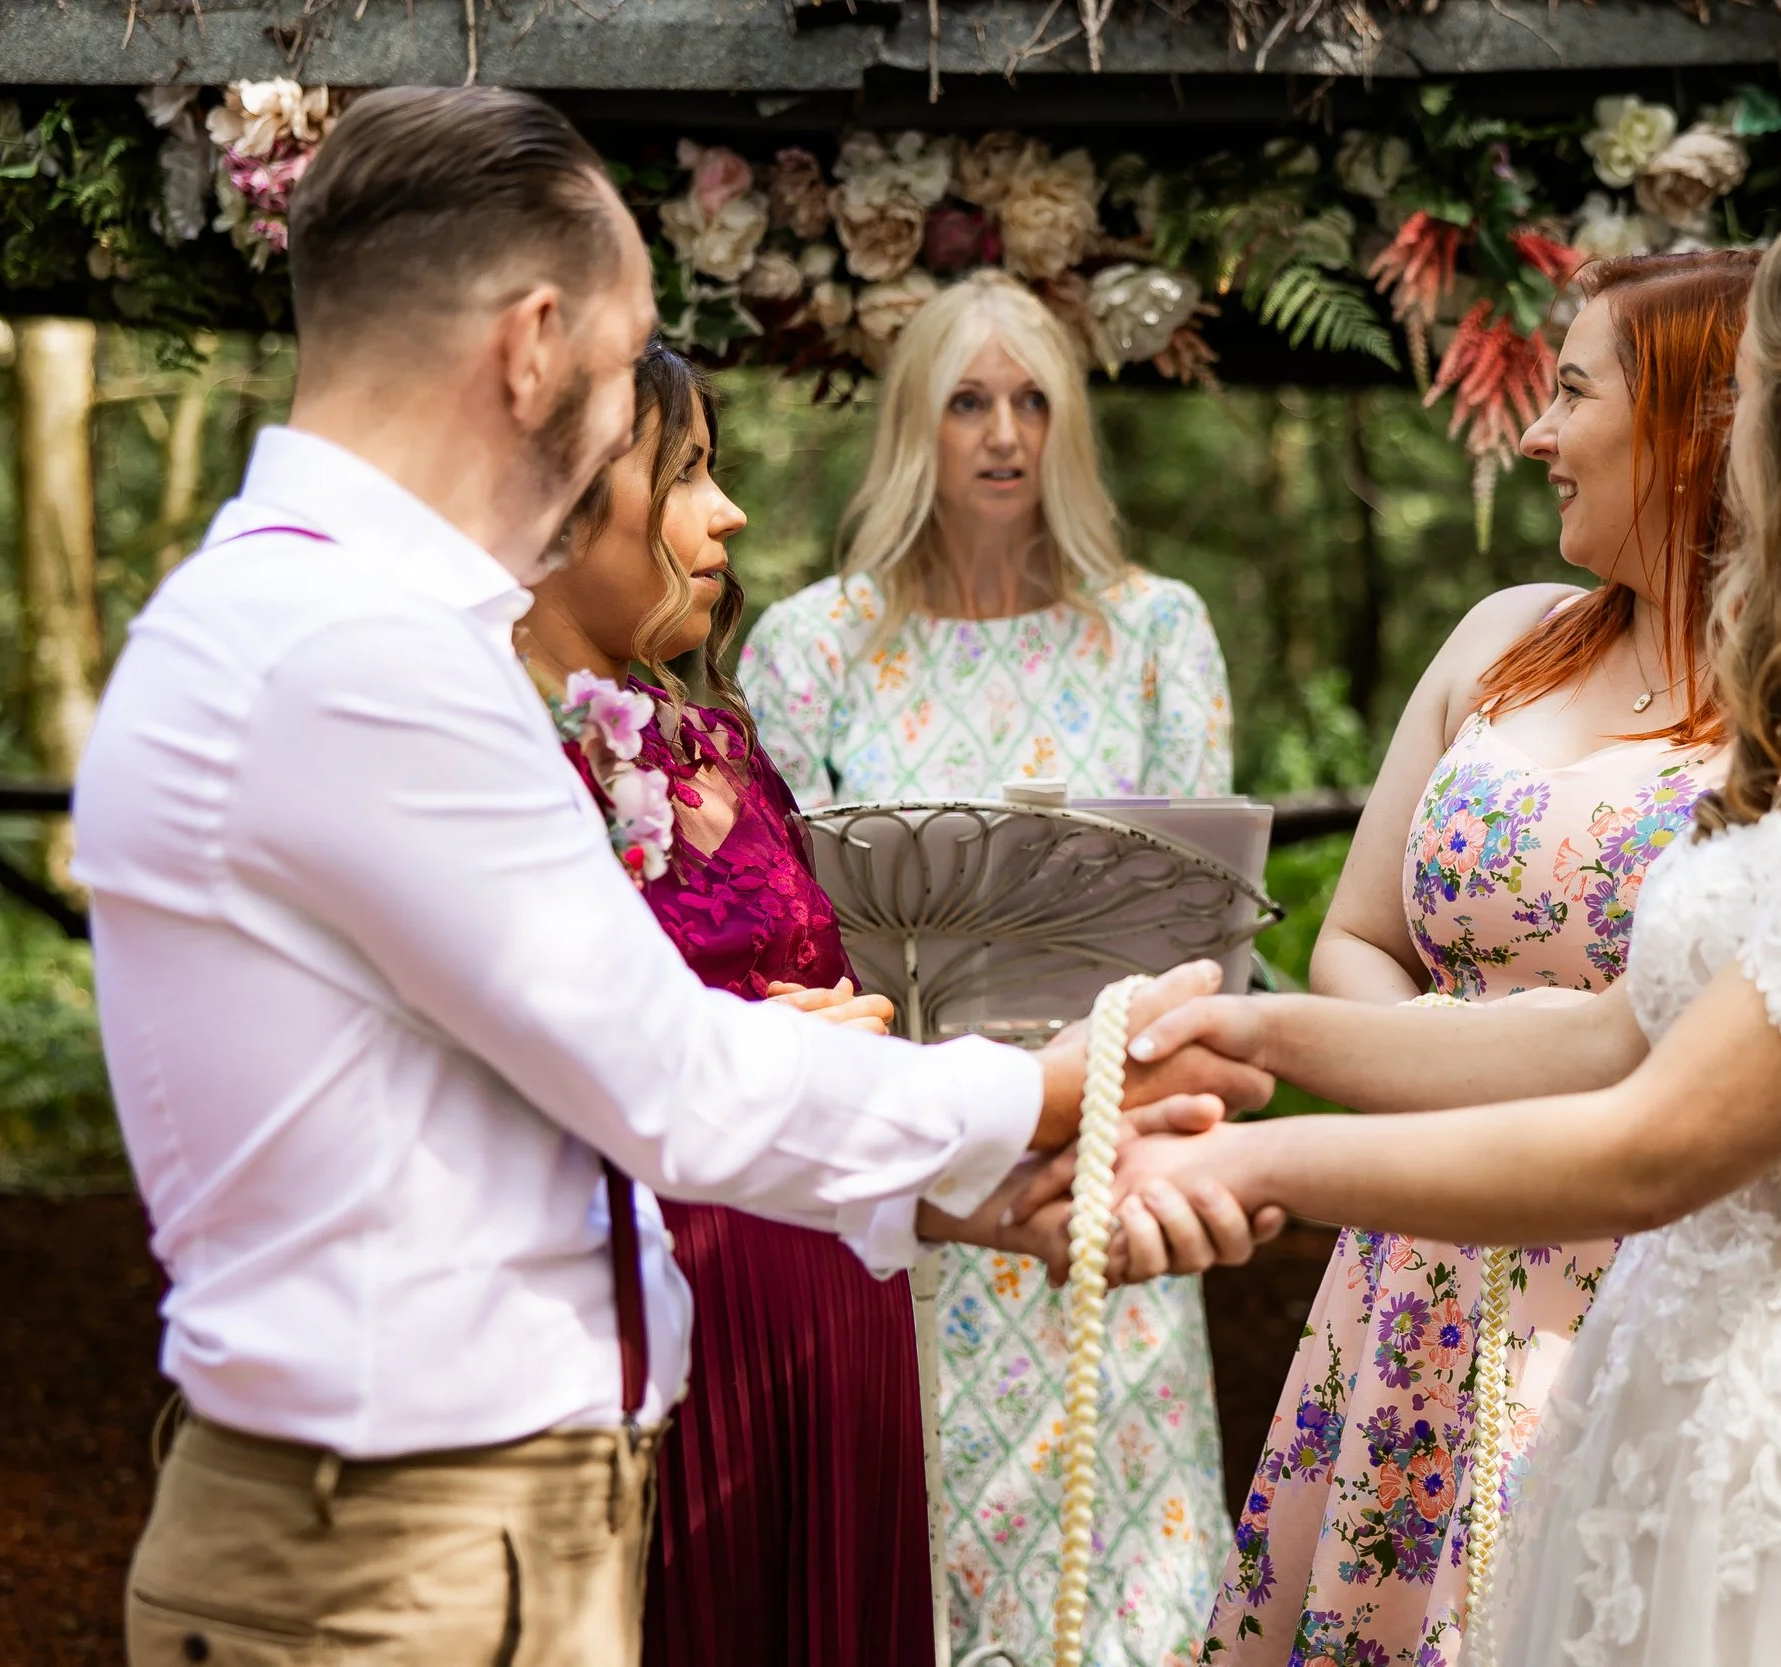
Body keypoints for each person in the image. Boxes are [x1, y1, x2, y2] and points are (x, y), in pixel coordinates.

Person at [74, 88, 1275, 1667]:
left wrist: (964, 1202)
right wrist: (1039, 1097)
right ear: (533, 346)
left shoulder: (307, 621)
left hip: (448, 1522)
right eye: (628, 349)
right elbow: (667, 1075)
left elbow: (543, 1127)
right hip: (400, 1555)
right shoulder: (357, 658)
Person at [1108, 144, 1781, 1662]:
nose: (1728, 428)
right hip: (1668, 1426)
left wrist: (1249, 1169)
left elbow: (1653, 1143)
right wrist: (1247, 1025)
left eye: (1747, 389)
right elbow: (1617, 1039)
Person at [1201, 249, 1755, 1667]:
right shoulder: (1502, 639)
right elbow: (1357, 939)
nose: (1534, 430)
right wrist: (1444, 1091)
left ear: (1694, 421)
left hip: (1630, 1265)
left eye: (1571, 391)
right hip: (1415, 1251)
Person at [743, 270, 1235, 1665]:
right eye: (968, 401)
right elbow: (777, 940)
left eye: (1033, 400)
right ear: (917, 426)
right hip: (909, 1174)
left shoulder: (1157, 631)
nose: (1005, 432)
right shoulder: (815, 644)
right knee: (913, 1563)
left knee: (1118, 1578)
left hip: (1106, 1155)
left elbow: (1204, 933)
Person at [517, 343, 998, 1667]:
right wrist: (751, 1045)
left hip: (836, 1304)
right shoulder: (492, 765)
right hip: (678, 1340)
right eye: (683, 476)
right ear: (556, 511)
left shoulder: (713, 741)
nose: (726, 513)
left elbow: (834, 987)